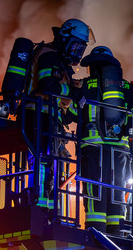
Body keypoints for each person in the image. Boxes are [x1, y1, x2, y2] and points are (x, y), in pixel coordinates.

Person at [24, 18, 91, 209]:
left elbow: (62, 105)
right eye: (76, 46)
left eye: (81, 48)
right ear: (65, 38)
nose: (77, 52)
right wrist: (74, 93)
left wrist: (77, 107)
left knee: (50, 165)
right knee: (43, 163)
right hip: (38, 116)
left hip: (49, 119)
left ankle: (48, 208)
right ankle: (39, 207)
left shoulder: (60, 63)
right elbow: (48, 85)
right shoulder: (49, 56)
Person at [73, 46, 133, 233]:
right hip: (120, 149)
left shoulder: (86, 85)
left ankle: (96, 228)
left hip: (93, 147)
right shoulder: (126, 87)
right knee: (117, 187)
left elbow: (72, 112)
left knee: (95, 188)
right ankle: (116, 228)